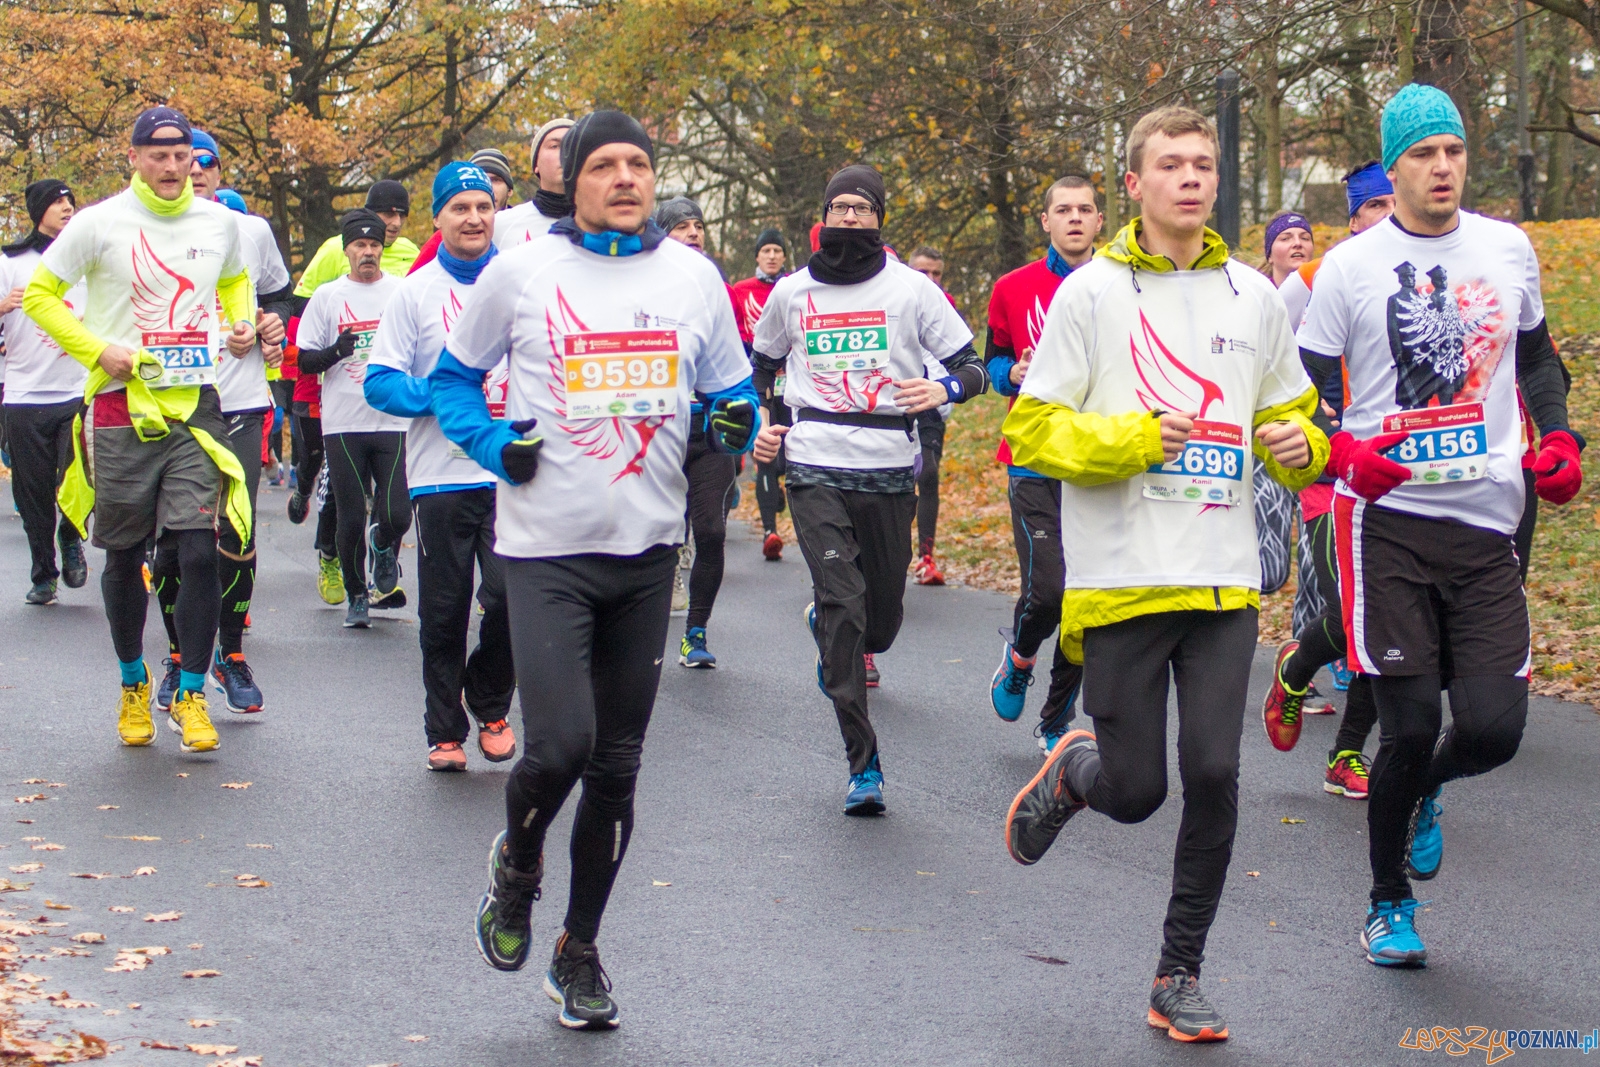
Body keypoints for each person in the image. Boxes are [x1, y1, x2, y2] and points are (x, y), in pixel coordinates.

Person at [1000, 106, 1327, 1042]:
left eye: (1204, 165)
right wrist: (1133, 439)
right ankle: (1078, 774)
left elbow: (1304, 426)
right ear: (1133, 186)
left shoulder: (1252, 298)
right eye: (1170, 165)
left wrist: (1297, 442)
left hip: (1221, 584)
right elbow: (1032, 429)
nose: (1191, 178)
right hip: (1123, 581)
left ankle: (1178, 971)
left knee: (1217, 774)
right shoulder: (1092, 296)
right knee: (1139, 790)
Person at [429, 109, 756, 1029]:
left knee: (617, 766)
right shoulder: (522, 271)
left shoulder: (694, 278)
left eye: (639, 164)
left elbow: (733, 390)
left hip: (648, 554)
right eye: (603, 164)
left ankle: (579, 949)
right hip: (544, 551)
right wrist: (495, 443)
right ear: (571, 181)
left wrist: (734, 419)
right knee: (561, 746)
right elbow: (453, 380)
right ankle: (518, 867)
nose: (624, 177)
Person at [1295, 84, 1581, 968]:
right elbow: (1298, 388)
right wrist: (1340, 452)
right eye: (1424, 154)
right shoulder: (1351, 267)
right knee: (1410, 723)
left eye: (1453, 149)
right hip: (1388, 523)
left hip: (1487, 522)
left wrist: (1560, 431)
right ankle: (1386, 900)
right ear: (1395, 165)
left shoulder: (1507, 247)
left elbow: (1535, 354)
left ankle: (1424, 792)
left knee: (1493, 728)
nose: (1443, 166)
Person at [750, 164, 989, 815]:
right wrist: (764, 424)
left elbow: (974, 366)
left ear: (880, 217)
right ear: (823, 218)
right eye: (839, 208)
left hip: (888, 464)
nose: (849, 218)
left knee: (879, 623)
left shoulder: (911, 290)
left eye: (862, 208)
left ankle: (835, 621)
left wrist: (942, 388)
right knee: (845, 612)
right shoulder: (792, 294)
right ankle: (864, 764)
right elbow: (761, 366)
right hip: (814, 463)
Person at [24, 105, 258, 752]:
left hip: (194, 405)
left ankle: (188, 692)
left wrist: (240, 322)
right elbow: (42, 296)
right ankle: (132, 680)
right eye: (157, 154)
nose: (172, 166)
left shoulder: (219, 223)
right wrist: (99, 351)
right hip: (120, 406)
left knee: (197, 549)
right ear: (133, 157)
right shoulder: (98, 224)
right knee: (124, 555)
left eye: (183, 154)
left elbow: (236, 281)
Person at [366, 162, 518, 771]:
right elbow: (380, 385)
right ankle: (444, 729)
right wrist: (448, 397)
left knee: (512, 597)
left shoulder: (521, 285)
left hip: (510, 471)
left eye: (483, 207)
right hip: (440, 473)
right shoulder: (415, 291)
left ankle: (489, 697)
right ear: (440, 218)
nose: (474, 218)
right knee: (445, 609)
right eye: (460, 208)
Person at [148, 129, 293, 717]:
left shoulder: (249, 230)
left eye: (205, 160)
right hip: (169, 407)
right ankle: (182, 658)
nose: (195, 168)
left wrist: (271, 323)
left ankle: (230, 656)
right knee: (178, 544)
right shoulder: (143, 230)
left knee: (237, 536)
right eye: (183, 159)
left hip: (237, 402)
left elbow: (282, 296)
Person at [1263, 163, 1396, 801]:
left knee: (1390, 619)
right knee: (1365, 614)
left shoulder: (1429, 273)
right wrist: (1317, 416)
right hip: (1333, 474)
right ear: (1356, 218)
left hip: (1411, 474)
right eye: (1379, 206)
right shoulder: (1314, 280)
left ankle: (1347, 752)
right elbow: (1274, 360)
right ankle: (1300, 663)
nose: (1391, 215)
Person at [984, 175, 1101, 753]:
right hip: (1032, 457)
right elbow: (993, 363)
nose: (1075, 218)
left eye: (1085, 209)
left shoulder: (1124, 286)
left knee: (1082, 597)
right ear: (1047, 222)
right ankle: (1021, 657)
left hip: (1098, 460)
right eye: (1064, 209)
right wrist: (1014, 374)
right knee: (1049, 590)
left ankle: (1057, 719)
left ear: (1100, 221)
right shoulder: (1012, 287)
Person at [285, 180, 419, 605]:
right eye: (360, 245)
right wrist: (334, 353)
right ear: (347, 250)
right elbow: (303, 360)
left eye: (374, 245)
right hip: (343, 420)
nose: (368, 252)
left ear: (382, 250)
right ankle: (357, 594)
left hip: (393, 420)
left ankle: (383, 545)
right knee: (348, 515)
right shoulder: (328, 296)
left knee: (397, 512)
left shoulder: (401, 292)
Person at [655, 195, 743, 667]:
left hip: (708, 432)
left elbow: (739, 359)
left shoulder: (716, 288)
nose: (693, 232)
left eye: (698, 225)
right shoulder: (643, 286)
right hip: (657, 431)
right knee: (660, 534)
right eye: (681, 226)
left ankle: (696, 631)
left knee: (709, 530)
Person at [1, 179, 88, 606]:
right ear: (38, 211)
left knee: (82, 480)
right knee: (32, 492)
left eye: (71, 201)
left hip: (77, 390)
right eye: (57, 202)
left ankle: (71, 535)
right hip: (24, 394)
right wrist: (3, 305)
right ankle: (43, 573)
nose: (67, 208)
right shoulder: (10, 261)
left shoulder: (87, 259)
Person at [732, 229, 790, 560]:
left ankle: (778, 487)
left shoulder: (793, 287)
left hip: (791, 384)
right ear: (757, 256)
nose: (771, 256)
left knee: (786, 455)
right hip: (756, 381)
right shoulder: (742, 291)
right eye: (765, 250)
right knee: (765, 453)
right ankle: (770, 532)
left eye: (777, 251)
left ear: (784, 257)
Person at [906, 244, 959, 585]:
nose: (930, 280)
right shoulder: (892, 298)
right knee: (897, 482)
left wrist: (944, 394)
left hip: (932, 405)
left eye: (936, 273)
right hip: (893, 402)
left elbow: (957, 357)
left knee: (928, 472)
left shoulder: (946, 307)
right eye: (923, 272)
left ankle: (927, 556)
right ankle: (890, 551)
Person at [408, 148, 517, 272]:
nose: (489, 185)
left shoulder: (523, 229)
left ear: (510, 190)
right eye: (461, 208)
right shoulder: (443, 238)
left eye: (496, 180)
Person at [493, 117, 575, 250]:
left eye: (572, 146)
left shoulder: (606, 227)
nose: (565, 153)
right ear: (536, 164)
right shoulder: (500, 226)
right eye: (554, 146)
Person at [1264, 210, 1314, 287]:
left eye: (1304, 238)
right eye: (1285, 238)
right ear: (1269, 255)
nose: (1298, 243)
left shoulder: (1326, 293)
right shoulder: (1259, 296)